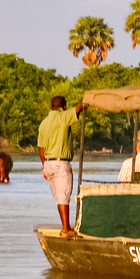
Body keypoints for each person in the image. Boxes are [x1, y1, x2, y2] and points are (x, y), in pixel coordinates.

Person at [38, 96, 86, 237]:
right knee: (64, 196)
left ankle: (65, 226)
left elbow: (41, 150)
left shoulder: (44, 123)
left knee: (59, 198)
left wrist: (44, 166)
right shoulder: (63, 117)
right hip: (60, 163)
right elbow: (78, 108)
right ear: (63, 107)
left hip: (48, 163)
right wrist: (87, 100)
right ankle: (66, 228)